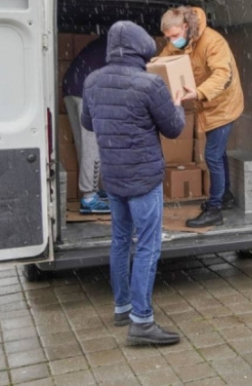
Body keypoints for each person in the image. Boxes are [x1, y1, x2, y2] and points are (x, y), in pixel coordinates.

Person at [82, 20, 187, 346]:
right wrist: (178, 105)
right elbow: (173, 129)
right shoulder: (149, 85)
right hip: (143, 180)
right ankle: (141, 322)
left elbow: (87, 121)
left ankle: (122, 306)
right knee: (147, 246)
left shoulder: (92, 80)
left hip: (113, 179)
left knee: (120, 241)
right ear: (142, 48)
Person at [156, 6, 244, 228]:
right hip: (207, 104)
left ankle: (215, 210)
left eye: (174, 36)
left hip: (224, 103)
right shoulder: (181, 40)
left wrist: (198, 92)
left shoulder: (213, 42)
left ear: (186, 26)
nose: (171, 41)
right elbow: (162, 61)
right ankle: (225, 196)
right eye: (168, 37)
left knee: (212, 155)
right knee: (219, 152)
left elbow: (223, 74)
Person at [62, 33, 109, 212]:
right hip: (88, 91)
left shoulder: (107, 41)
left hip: (71, 86)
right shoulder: (125, 48)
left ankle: (97, 190)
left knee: (84, 144)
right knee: (94, 146)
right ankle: (89, 197)